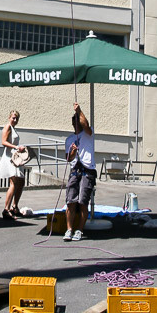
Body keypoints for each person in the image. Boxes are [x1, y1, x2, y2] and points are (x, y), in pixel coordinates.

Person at [63, 102, 97, 243]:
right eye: (75, 121)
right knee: (71, 200)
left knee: (83, 201)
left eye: (79, 121)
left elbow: (86, 125)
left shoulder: (88, 133)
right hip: (75, 170)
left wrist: (79, 111)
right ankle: (69, 229)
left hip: (87, 170)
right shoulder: (69, 139)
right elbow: (68, 158)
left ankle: (80, 230)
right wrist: (72, 152)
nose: (78, 124)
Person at [0, 111, 24, 220]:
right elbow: (3, 142)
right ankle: (6, 209)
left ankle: (14, 206)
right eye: (13, 118)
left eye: (17, 118)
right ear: (9, 117)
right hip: (10, 157)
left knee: (21, 181)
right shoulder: (8, 126)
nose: (15, 120)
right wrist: (16, 147)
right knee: (13, 182)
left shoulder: (13, 128)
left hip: (16, 157)